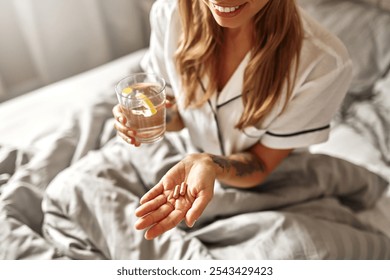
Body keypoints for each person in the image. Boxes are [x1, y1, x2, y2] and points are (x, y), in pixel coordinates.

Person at [113, 0, 352, 240]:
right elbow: (177, 111)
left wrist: (210, 164)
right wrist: (152, 115)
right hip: (182, 156)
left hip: (268, 185)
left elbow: (261, 163)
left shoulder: (322, 62)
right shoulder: (169, 12)